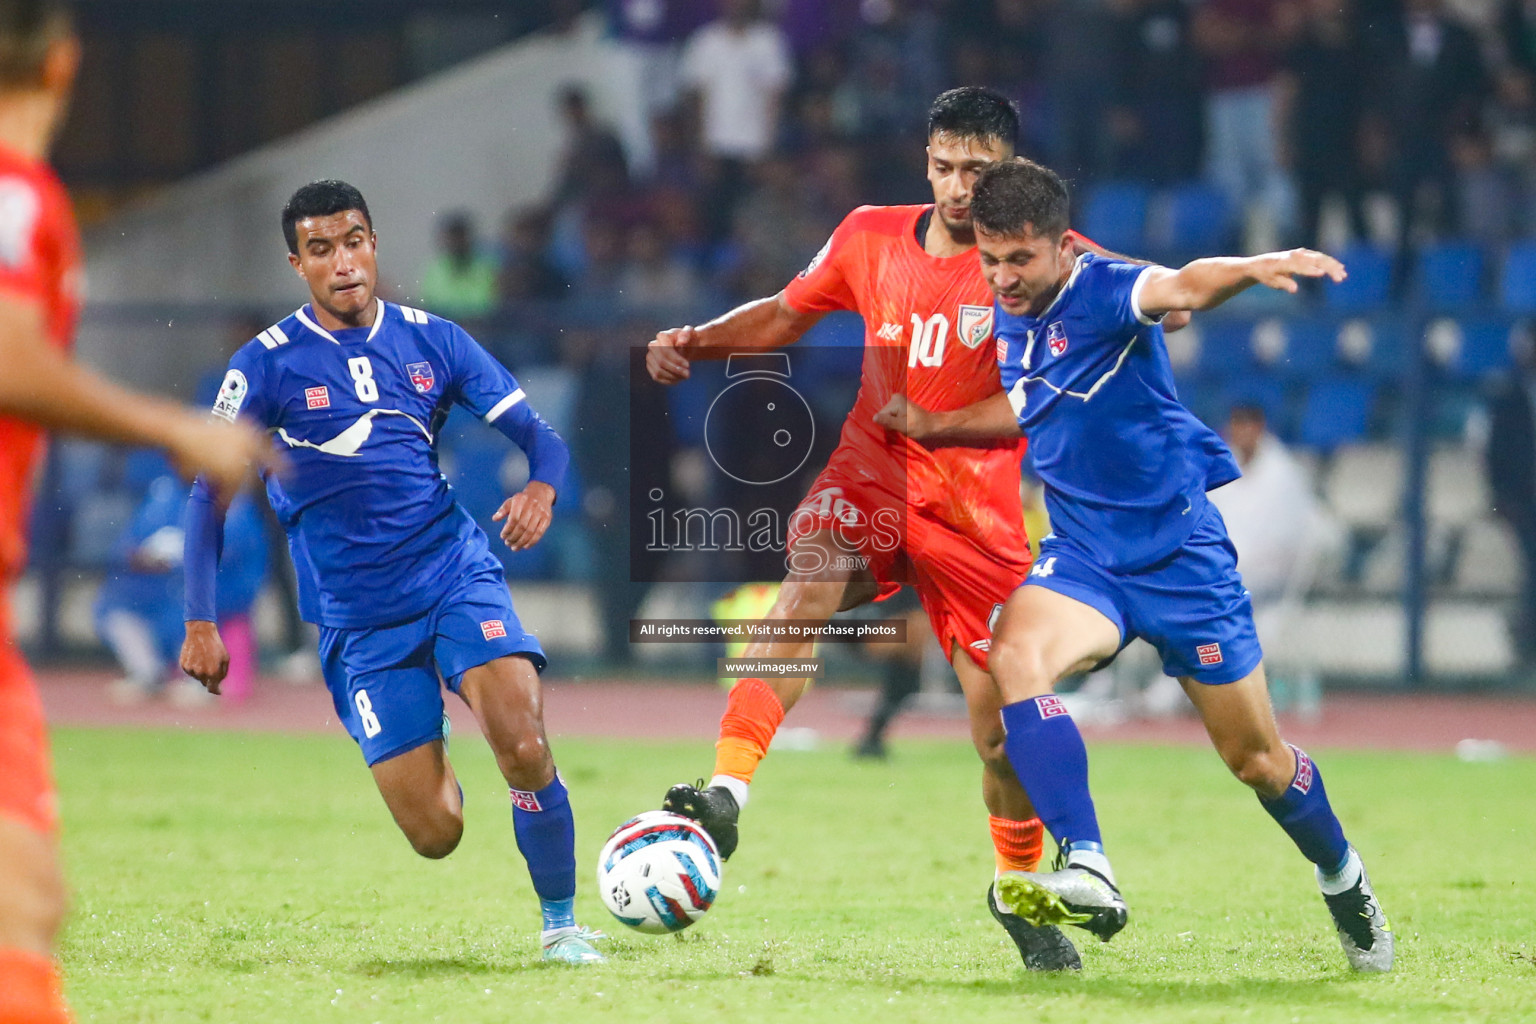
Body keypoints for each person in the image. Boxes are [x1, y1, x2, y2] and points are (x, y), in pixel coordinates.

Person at [647, 86, 1161, 974]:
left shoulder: (1046, 257)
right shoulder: (867, 236)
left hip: (977, 510)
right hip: (872, 474)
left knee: (999, 731)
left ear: (1012, 171)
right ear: (926, 163)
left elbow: (1143, 292)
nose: (960, 187)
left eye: (978, 169)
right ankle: (726, 792)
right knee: (803, 584)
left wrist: (1188, 294)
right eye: (945, 166)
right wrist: (698, 338)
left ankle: (1017, 893)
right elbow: (781, 314)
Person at [874, 158, 1392, 972]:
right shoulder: (1009, 307)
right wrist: (939, 426)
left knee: (1258, 762)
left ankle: (1343, 876)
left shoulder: (1108, 289)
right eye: (991, 260)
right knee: (1013, 654)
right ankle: (1088, 861)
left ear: (1060, 248)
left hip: (1182, 560)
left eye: (1021, 260)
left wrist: (1252, 270)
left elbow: (1182, 287)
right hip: (1084, 558)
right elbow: (1030, 395)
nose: (1004, 278)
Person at [178, 180, 605, 965]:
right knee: (435, 832)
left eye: (353, 241)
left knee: (521, 735)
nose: (342, 262)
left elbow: (541, 438)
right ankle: (424, 726)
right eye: (320, 249)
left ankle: (562, 927)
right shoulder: (265, 366)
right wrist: (200, 620)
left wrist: (542, 487)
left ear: (373, 244)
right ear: (297, 264)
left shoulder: (434, 341)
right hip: (359, 620)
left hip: (452, 573)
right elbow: (208, 496)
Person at [0, 5, 275, 1021]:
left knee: (27, 900)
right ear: (66, 61)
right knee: (23, 903)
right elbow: (9, 357)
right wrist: (177, 428)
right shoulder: (16, 195)